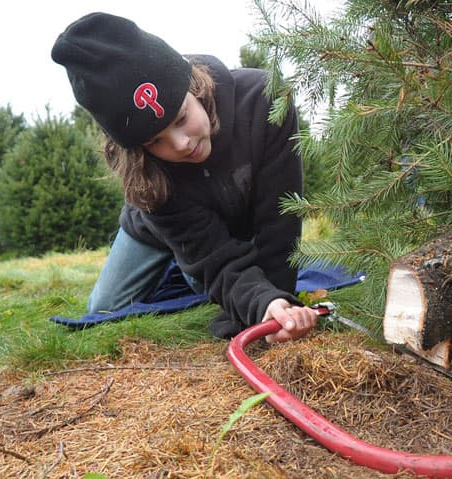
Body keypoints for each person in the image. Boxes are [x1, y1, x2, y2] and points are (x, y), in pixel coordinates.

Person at [51, 12, 317, 342]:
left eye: (180, 118)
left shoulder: (265, 101)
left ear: (193, 85)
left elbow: (280, 221)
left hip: (236, 221)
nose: (181, 144)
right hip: (158, 229)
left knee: (248, 283)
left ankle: (190, 267)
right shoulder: (146, 176)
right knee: (104, 308)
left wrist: (273, 303)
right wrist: (206, 265)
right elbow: (213, 259)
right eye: (154, 141)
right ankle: (183, 262)